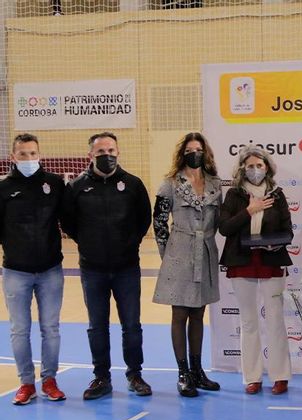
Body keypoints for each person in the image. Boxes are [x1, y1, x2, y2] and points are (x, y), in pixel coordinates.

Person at [62, 132, 152, 400]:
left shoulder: (133, 184)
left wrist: (128, 245)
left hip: (126, 268)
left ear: (119, 152)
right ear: (90, 155)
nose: (107, 156)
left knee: (132, 326)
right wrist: (90, 244)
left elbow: (143, 220)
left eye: (111, 150)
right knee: (97, 326)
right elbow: (68, 224)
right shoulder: (77, 187)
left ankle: (135, 375)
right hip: (92, 269)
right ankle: (101, 378)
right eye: (101, 152)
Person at [153, 132, 222, 397]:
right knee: (179, 314)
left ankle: (197, 371)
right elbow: (159, 222)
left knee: (198, 314)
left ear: (206, 153)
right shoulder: (169, 183)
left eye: (199, 149)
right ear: (183, 153)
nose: (195, 153)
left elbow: (218, 220)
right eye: (190, 149)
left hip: (205, 252)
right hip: (179, 252)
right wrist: (168, 254)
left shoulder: (215, 184)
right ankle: (182, 373)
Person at [219, 146, 293, 395]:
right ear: (242, 169)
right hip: (242, 262)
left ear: (267, 168)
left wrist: (277, 242)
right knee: (249, 321)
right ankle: (252, 377)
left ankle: (280, 376)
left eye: (259, 165)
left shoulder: (278, 194)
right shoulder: (234, 195)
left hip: (271, 261)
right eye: (250, 166)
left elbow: (288, 230)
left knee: (275, 320)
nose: (255, 170)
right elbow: (225, 228)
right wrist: (249, 211)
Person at [1, 134, 66, 405]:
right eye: (23, 154)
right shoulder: (3, 189)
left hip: (50, 269)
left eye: (33, 153)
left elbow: (69, 219)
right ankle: (26, 383)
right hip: (16, 271)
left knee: (50, 328)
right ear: (13, 157)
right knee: (19, 330)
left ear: (40, 155)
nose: (29, 159)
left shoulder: (54, 184)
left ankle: (49, 380)